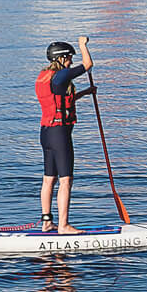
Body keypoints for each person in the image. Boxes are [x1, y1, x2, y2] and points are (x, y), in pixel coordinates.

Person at [37, 37, 95, 233]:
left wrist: (85, 93)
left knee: (48, 179)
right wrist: (83, 45)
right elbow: (88, 65)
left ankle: (47, 222)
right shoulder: (61, 75)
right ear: (61, 59)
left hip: (46, 133)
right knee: (66, 180)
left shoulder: (46, 76)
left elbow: (60, 99)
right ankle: (63, 225)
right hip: (60, 134)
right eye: (69, 58)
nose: (70, 61)